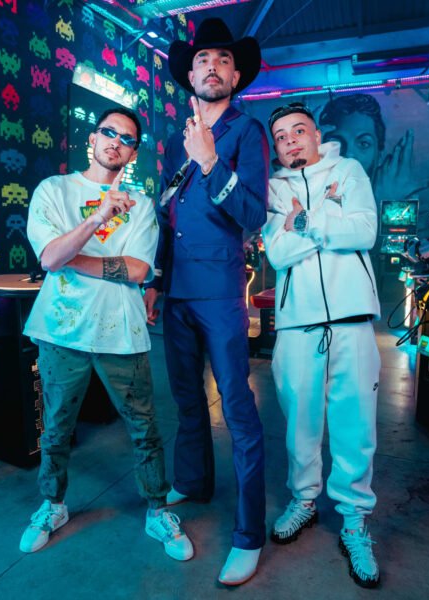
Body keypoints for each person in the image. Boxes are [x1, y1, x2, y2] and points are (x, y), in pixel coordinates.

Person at [19, 107, 193, 562]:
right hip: (60, 330)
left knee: (144, 427)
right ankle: (53, 505)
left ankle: (157, 510)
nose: (116, 141)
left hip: (122, 333)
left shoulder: (140, 206)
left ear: (133, 154)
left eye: (127, 138)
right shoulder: (54, 190)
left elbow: (137, 270)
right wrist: (96, 219)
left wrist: (70, 258)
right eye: (109, 132)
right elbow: (48, 257)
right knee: (56, 428)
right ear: (92, 138)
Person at [143, 17, 269, 586]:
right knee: (187, 399)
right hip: (176, 291)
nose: (211, 67)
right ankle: (192, 481)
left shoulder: (247, 131)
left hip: (219, 291)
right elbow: (168, 214)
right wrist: (155, 279)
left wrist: (213, 161)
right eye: (202, 60)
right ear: (189, 75)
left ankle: (248, 535)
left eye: (222, 60)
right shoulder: (178, 140)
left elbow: (253, 214)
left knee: (238, 409)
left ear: (235, 76)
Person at [262, 102, 383, 588]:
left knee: (356, 425)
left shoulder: (348, 171)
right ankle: (304, 500)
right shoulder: (273, 188)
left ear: (317, 135)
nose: (290, 140)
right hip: (296, 325)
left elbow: (365, 231)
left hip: (352, 320)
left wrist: (306, 221)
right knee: (300, 424)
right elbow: (277, 252)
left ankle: (354, 520)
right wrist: (329, 219)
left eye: (298, 131)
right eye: (281, 136)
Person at [319, 93, 414, 203]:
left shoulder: (399, 196)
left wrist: (391, 201)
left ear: (379, 155)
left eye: (364, 144)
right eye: (336, 142)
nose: (349, 153)